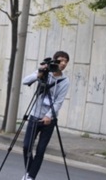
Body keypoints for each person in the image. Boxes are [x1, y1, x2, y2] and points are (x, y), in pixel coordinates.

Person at [21, 51, 70, 180]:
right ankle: (29, 172)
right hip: (35, 115)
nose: (63, 63)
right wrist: (40, 72)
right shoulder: (45, 73)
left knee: (41, 150)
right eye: (60, 60)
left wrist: (49, 116)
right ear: (54, 61)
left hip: (50, 120)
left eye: (66, 61)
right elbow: (25, 81)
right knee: (26, 147)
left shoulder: (65, 81)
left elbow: (59, 101)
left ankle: (30, 176)